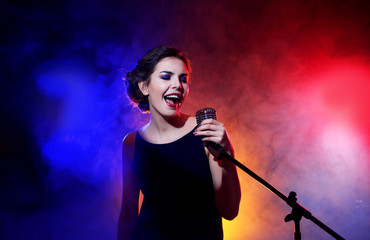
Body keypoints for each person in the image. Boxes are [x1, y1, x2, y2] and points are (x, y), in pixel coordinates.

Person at [118, 46, 241, 240]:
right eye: (166, 77)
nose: (178, 85)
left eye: (184, 79)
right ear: (144, 86)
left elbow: (230, 211)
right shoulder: (132, 143)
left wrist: (227, 153)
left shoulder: (205, 131)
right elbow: (128, 213)